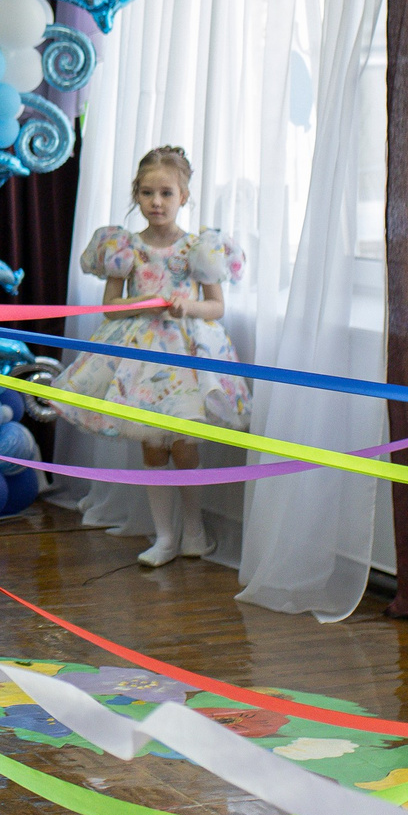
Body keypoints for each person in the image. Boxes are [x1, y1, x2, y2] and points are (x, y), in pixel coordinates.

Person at [49, 146, 248, 567]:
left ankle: (194, 531)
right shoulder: (125, 248)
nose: (156, 202)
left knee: (184, 445)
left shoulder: (199, 249)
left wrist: (185, 307)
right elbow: (110, 305)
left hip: (184, 355)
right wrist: (144, 301)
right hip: (138, 355)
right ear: (136, 195)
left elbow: (216, 306)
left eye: (166, 193)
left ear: (184, 197)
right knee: (153, 446)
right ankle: (165, 536)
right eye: (146, 193)